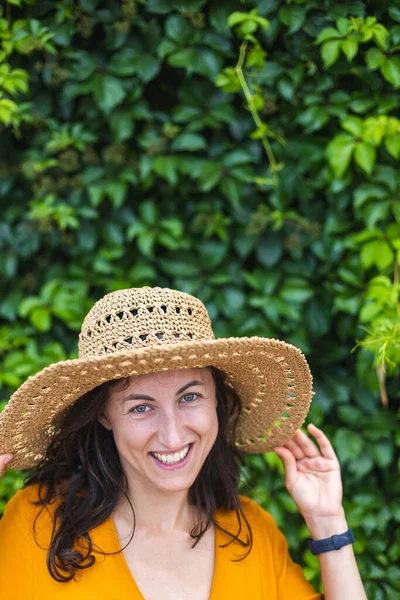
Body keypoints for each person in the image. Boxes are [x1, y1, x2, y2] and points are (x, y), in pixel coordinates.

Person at [0, 286, 366, 599]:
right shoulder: (39, 524)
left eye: (189, 397)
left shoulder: (252, 533)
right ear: (104, 415)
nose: (173, 435)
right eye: (141, 407)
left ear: (217, 400)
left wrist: (327, 521)